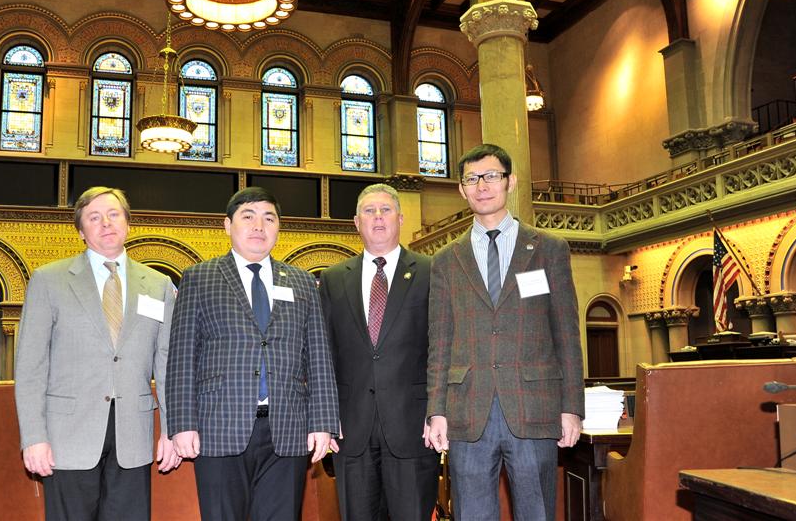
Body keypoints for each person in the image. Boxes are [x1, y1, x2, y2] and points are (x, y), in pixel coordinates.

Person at [426, 145, 584, 521]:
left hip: (534, 406)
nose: (482, 185)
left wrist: (572, 407)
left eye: (491, 176)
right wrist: (436, 411)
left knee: (537, 512)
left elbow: (567, 333)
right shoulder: (446, 261)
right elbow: (440, 342)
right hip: (468, 409)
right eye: (472, 179)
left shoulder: (548, 250)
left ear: (510, 181)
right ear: (462, 190)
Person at [166, 186, 339, 521]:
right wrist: (182, 424)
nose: (259, 226)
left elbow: (318, 356)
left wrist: (324, 422)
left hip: (287, 429)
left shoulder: (302, 282)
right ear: (228, 225)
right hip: (218, 428)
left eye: (269, 218)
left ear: (278, 228)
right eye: (248, 216)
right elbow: (182, 357)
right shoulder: (199, 278)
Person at [15, 186, 179, 520]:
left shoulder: (159, 284)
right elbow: (31, 367)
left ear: (128, 224)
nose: (106, 223)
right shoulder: (49, 280)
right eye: (94, 217)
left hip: (134, 436)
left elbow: (166, 366)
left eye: (114, 214)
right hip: (67, 438)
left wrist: (172, 431)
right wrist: (33, 438)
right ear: (81, 231)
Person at [319, 183, 440, 521]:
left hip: (414, 427)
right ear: (356, 222)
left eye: (385, 210)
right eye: (369, 211)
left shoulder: (432, 272)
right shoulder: (332, 279)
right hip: (351, 430)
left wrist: (438, 411)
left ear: (400, 218)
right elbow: (323, 355)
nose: (377, 218)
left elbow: (442, 348)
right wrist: (326, 419)